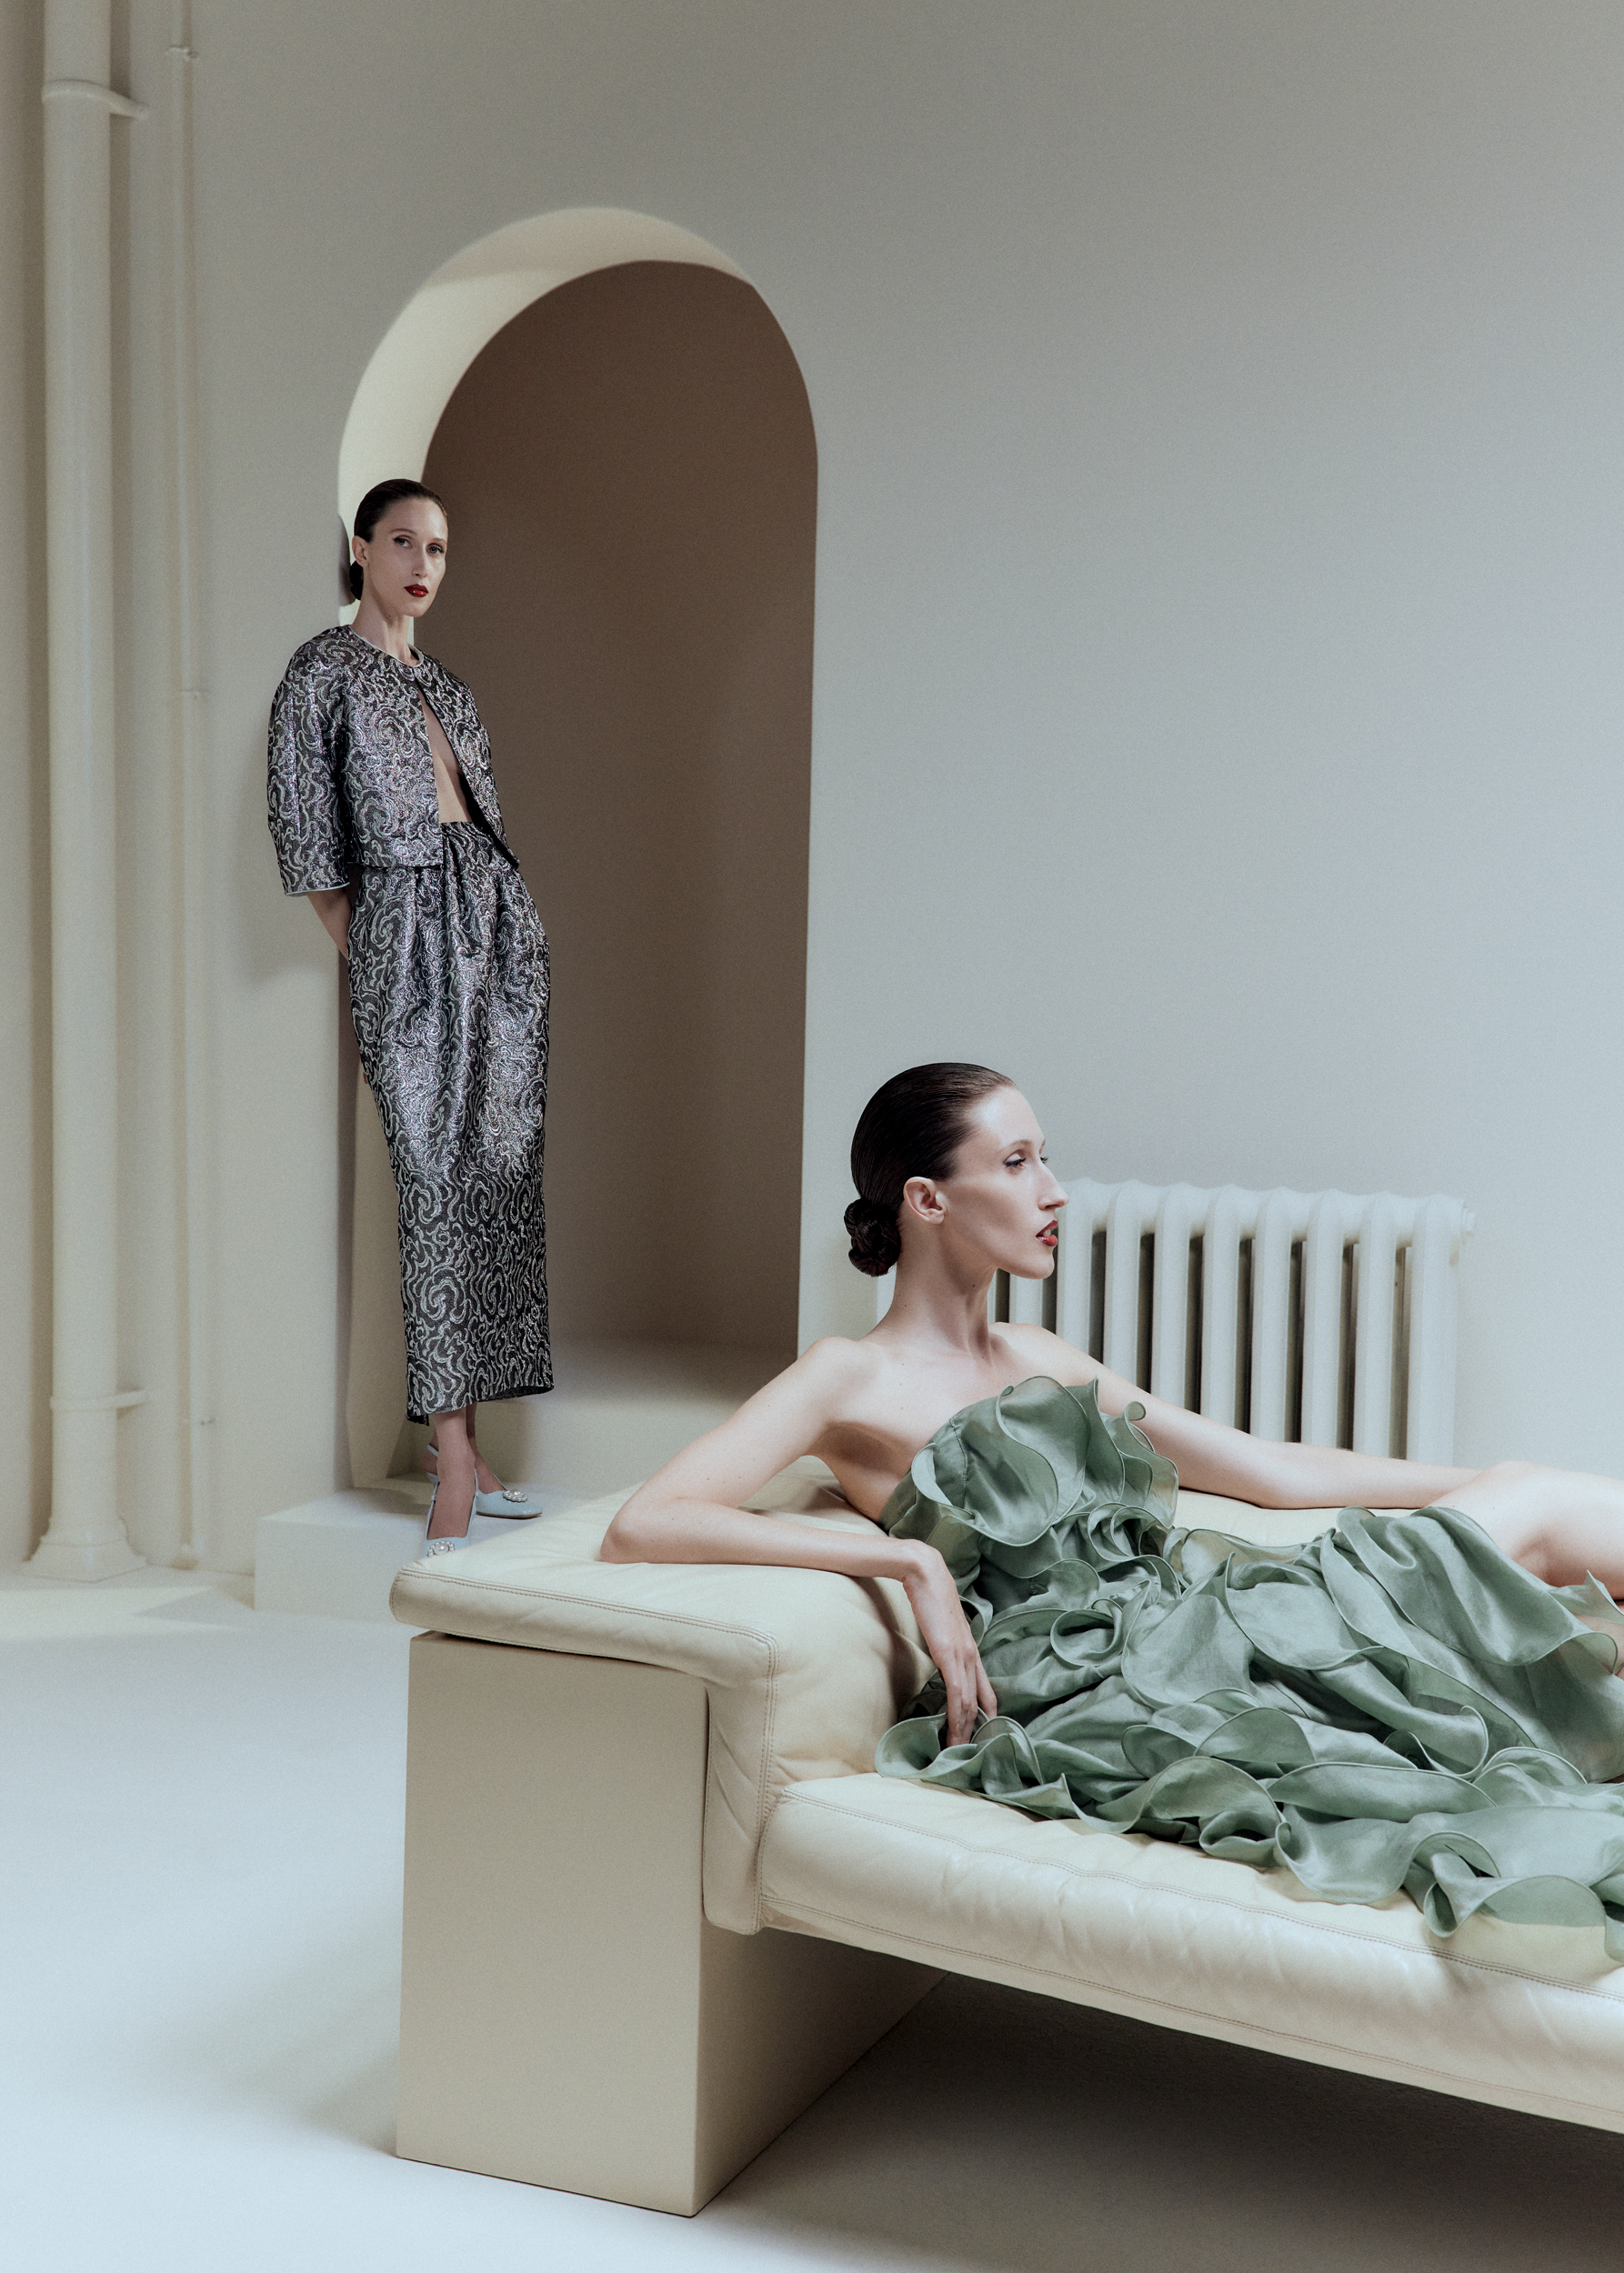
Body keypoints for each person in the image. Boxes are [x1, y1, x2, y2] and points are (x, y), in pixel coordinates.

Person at [604, 1062, 1624, 1949]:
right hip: (1099, 1681)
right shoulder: (845, 1377)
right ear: (926, 1199)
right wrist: (906, 1562)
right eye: (1014, 1163)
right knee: (1522, 1522)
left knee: (1519, 1498)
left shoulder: (1038, 1354)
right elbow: (644, 1523)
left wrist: (1481, 1475)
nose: (1051, 1190)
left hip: (1198, 1624)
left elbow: (1269, 1472)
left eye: (1044, 1158)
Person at [268, 478, 551, 1552]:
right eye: (401, 540)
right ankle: (453, 1460)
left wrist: (508, 929)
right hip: (404, 929)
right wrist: (379, 950)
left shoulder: (451, 686)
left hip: (496, 922)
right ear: (362, 548)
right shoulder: (321, 672)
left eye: (436, 544)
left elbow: (480, 816)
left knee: (497, 1178)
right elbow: (304, 836)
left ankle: (464, 1454)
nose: (421, 561)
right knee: (433, 1180)